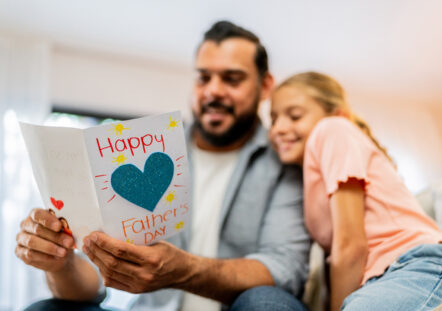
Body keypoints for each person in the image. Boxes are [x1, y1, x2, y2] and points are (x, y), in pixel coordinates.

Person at [16, 21, 311, 311]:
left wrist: (184, 270)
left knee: (268, 302)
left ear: (265, 86)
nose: (213, 91)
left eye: (232, 79)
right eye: (203, 78)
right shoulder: (149, 148)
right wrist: (60, 261)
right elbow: (95, 285)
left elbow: (286, 270)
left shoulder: (285, 161)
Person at [268, 71, 442, 311]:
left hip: (419, 266)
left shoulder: (332, 128)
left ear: (338, 114)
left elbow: (351, 246)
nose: (278, 129)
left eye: (294, 116)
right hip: (382, 282)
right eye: (273, 119)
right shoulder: (308, 176)